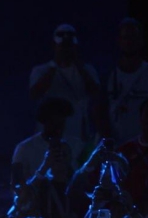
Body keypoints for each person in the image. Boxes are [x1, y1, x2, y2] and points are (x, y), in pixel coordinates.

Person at [29, 24, 101, 164]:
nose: (65, 50)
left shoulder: (87, 70)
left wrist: (78, 65)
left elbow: (96, 92)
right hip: (48, 137)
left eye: (68, 46)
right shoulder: (41, 71)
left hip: (78, 137)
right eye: (62, 46)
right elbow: (35, 94)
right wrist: (55, 65)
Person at [105, 18, 148, 145]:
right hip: (115, 146)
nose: (129, 42)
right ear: (119, 41)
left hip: (145, 146)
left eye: (133, 37)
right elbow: (100, 110)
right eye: (125, 37)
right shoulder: (108, 75)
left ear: (141, 41)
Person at [12, 98, 73, 187]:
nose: (58, 129)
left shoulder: (73, 145)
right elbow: (16, 187)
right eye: (54, 123)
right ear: (44, 121)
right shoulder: (24, 148)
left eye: (61, 123)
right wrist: (45, 166)